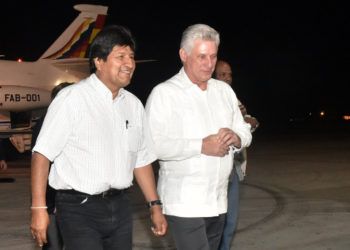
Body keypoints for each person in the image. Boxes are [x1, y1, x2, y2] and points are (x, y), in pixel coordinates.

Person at [30, 25, 167, 250]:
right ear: (99, 61)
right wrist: (38, 209)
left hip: (121, 207)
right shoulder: (71, 99)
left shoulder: (133, 105)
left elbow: (141, 159)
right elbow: (42, 154)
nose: (130, 64)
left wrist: (155, 205)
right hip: (78, 208)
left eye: (131, 57)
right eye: (120, 56)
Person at [145, 24, 252, 250]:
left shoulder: (224, 92)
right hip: (185, 204)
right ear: (184, 55)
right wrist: (201, 146)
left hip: (218, 201)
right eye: (201, 56)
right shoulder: (165, 93)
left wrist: (236, 137)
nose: (209, 64)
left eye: (213, 56)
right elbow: (153, 145)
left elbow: (244, 130)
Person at [214, 59, 259, 250]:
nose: (227, 78)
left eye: (229, 74)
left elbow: (247, 122)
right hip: (213, 166)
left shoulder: (233, 97)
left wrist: (250, 122)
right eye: (222, 74)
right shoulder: (207, 96)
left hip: (232, 167)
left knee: (230, 223)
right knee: (214, 224)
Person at [30, 82, 73, 250]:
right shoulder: (45, 124)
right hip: (52, 198)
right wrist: (39, 206)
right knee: (53, 245)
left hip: (74, 200)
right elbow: (39, 162)